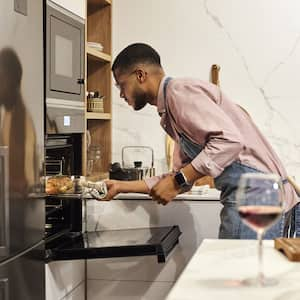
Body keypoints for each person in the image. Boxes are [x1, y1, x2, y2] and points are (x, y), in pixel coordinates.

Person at [104, 42, 299, 239]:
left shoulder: (179, 93)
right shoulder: (171, 110)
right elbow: (180, 178)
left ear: (140, 75)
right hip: (252, 196)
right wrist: (121, 186)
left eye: (121, 84)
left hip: (257, 197)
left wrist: (179, 179)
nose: (121, 94)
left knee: (242, 269)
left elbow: (229, 141)